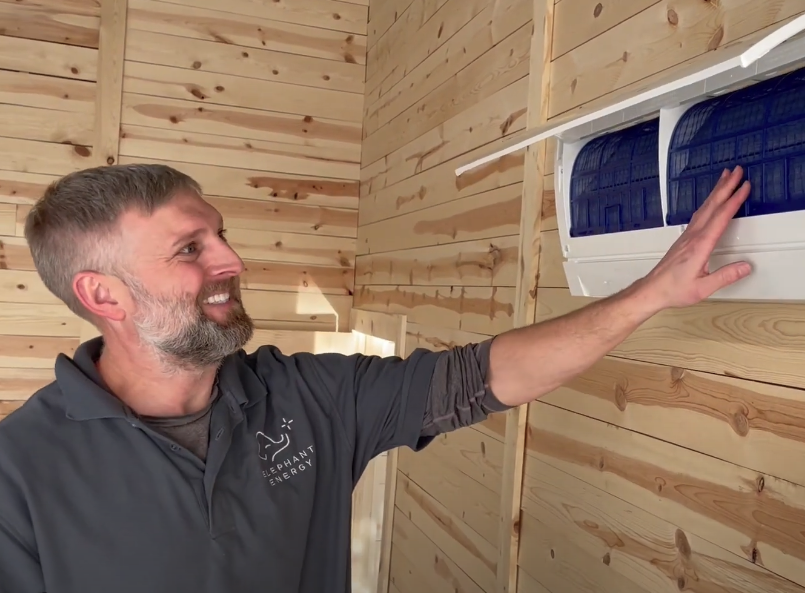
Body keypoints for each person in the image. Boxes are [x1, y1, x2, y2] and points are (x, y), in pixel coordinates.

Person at [0, 163, 753, 592]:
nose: (231, 260)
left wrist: (651, 294)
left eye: (221, 234)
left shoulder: (305, 397)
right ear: (104, 295)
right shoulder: (18, 472)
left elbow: (480, 376)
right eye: (190, 248)